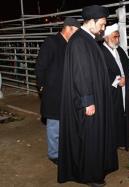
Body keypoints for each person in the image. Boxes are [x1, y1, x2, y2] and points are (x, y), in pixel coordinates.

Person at [58, 5, 118, 186]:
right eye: (101, 24)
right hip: (89, 101)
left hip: (95, 97)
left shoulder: (89, 39)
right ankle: (92, 176)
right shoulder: (79, 41)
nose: (103, 28)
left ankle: (98, 169)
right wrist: (88, 101)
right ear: (91, 21)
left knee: (96, 136)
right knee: (91, 138)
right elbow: (81, 74)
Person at [35, 17, 80, 165]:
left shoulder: (71, 44)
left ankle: (65, 150)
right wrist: (41, 86)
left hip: (67, 92)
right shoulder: (51, 42)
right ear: (68, 28)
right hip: (53, 91)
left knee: (66, 123)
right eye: (76, 32)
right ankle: (54, 154)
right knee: (54, 124)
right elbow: (40, 65)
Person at [100, 23, 129, 151]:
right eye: (115, 37)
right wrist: (116, 81)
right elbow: (100, 73)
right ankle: (114, 142)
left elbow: (127, 69)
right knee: (114, 116)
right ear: (106, 37)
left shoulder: (119, 50)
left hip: (124, 89)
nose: (117, 39)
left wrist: (126, 78)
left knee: (125, 113)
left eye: (118, 37)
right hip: (112, 91)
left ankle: (125, 140)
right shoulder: (100, 53)